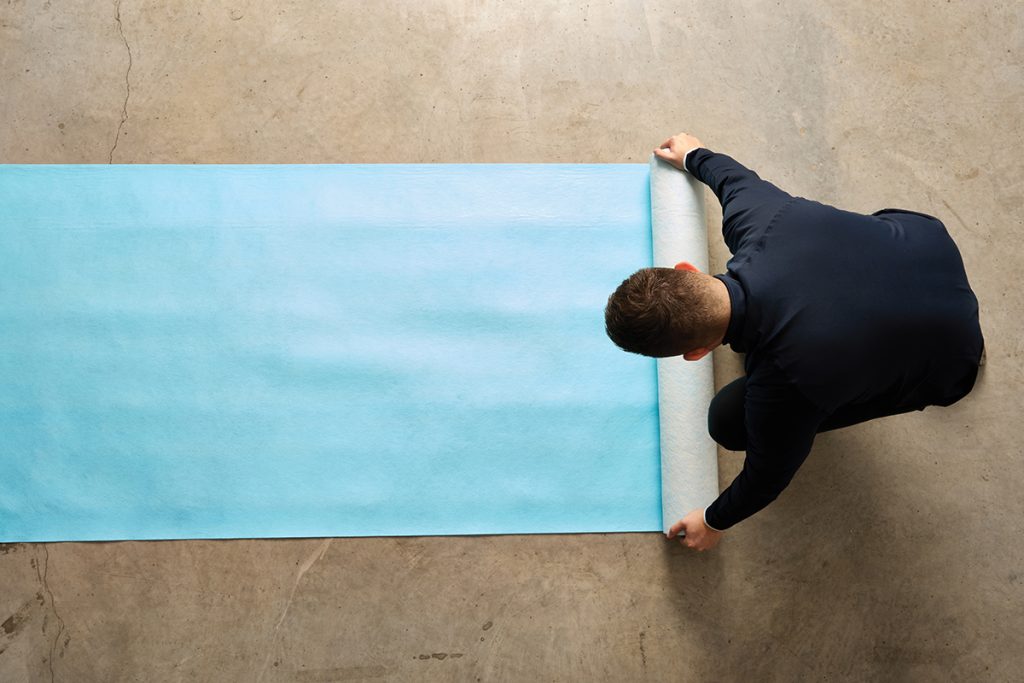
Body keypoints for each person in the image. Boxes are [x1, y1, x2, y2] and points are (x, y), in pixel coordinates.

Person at [605, 133, 984, 552]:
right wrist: (693, 154)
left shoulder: (787, 385)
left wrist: (713, 521)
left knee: (728, 421)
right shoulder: (763, 218)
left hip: (956, 358)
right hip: (930, 245)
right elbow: (731, 178)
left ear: (696, 353)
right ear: (687, 268)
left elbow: (767, 476)